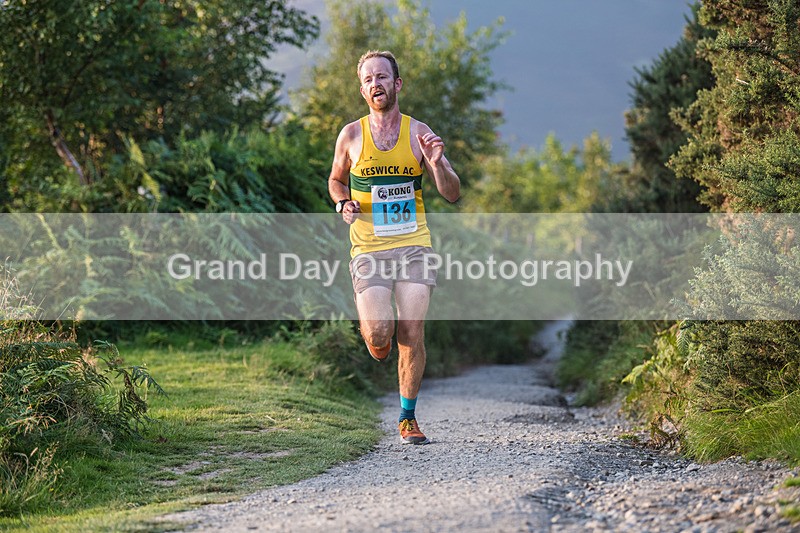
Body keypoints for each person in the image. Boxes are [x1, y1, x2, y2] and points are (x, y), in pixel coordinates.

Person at [328, 50, 460, 445]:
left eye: (382, 77)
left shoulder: (419, 133)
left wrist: (436, 163)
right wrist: (342, 202)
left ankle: (407, 417)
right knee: (381, 334)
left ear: (397, 84)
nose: (375, 84)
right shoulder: (351, 135)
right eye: (368, 80)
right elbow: (335, 180)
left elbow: (452, 194)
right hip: (368, 249)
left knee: (412, 330)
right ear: (362, 88)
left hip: (414, 246)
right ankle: (377, 342)